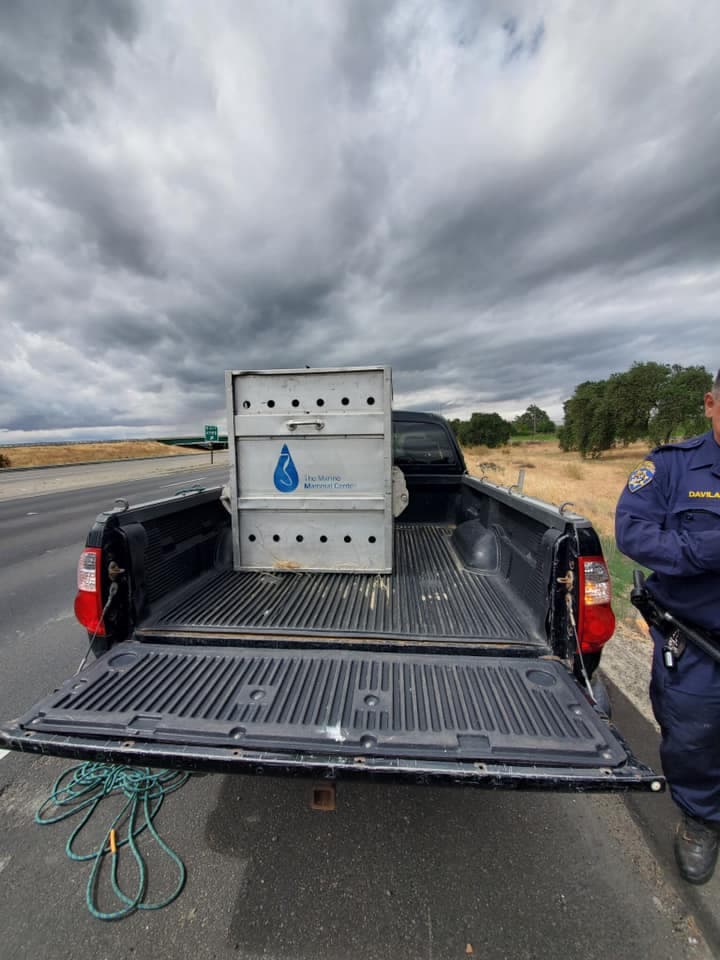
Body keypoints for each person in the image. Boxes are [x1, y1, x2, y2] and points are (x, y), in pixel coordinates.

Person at [615, 368, 720, 884]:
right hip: (700, 640)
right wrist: (709, 550)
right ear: (710, 404)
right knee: (693, 737)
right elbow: (631, 532)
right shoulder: (672, 468)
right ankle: (701, 819)